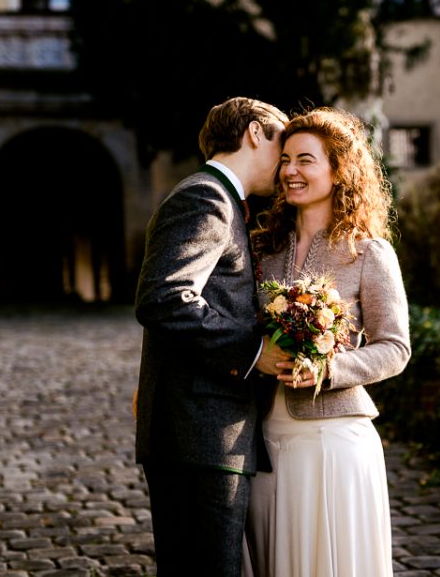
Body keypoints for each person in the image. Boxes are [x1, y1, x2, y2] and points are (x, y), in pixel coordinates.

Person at [244, 107, 411, 576]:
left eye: (305, 160)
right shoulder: (262, 249)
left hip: (333, 441)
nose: (290, 171)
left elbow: (395, 347)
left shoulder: (369, 252)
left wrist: (329, 369)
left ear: (339, 170)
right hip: (264, 441)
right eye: (285, 160)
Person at [134, 97, 293, 576]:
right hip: (201, 435)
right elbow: (164, 298)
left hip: (203, 432)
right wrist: (255, 352)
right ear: (253, 133)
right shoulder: (205, 197)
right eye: (282, 148)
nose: (285, 167)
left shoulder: (223, 201)